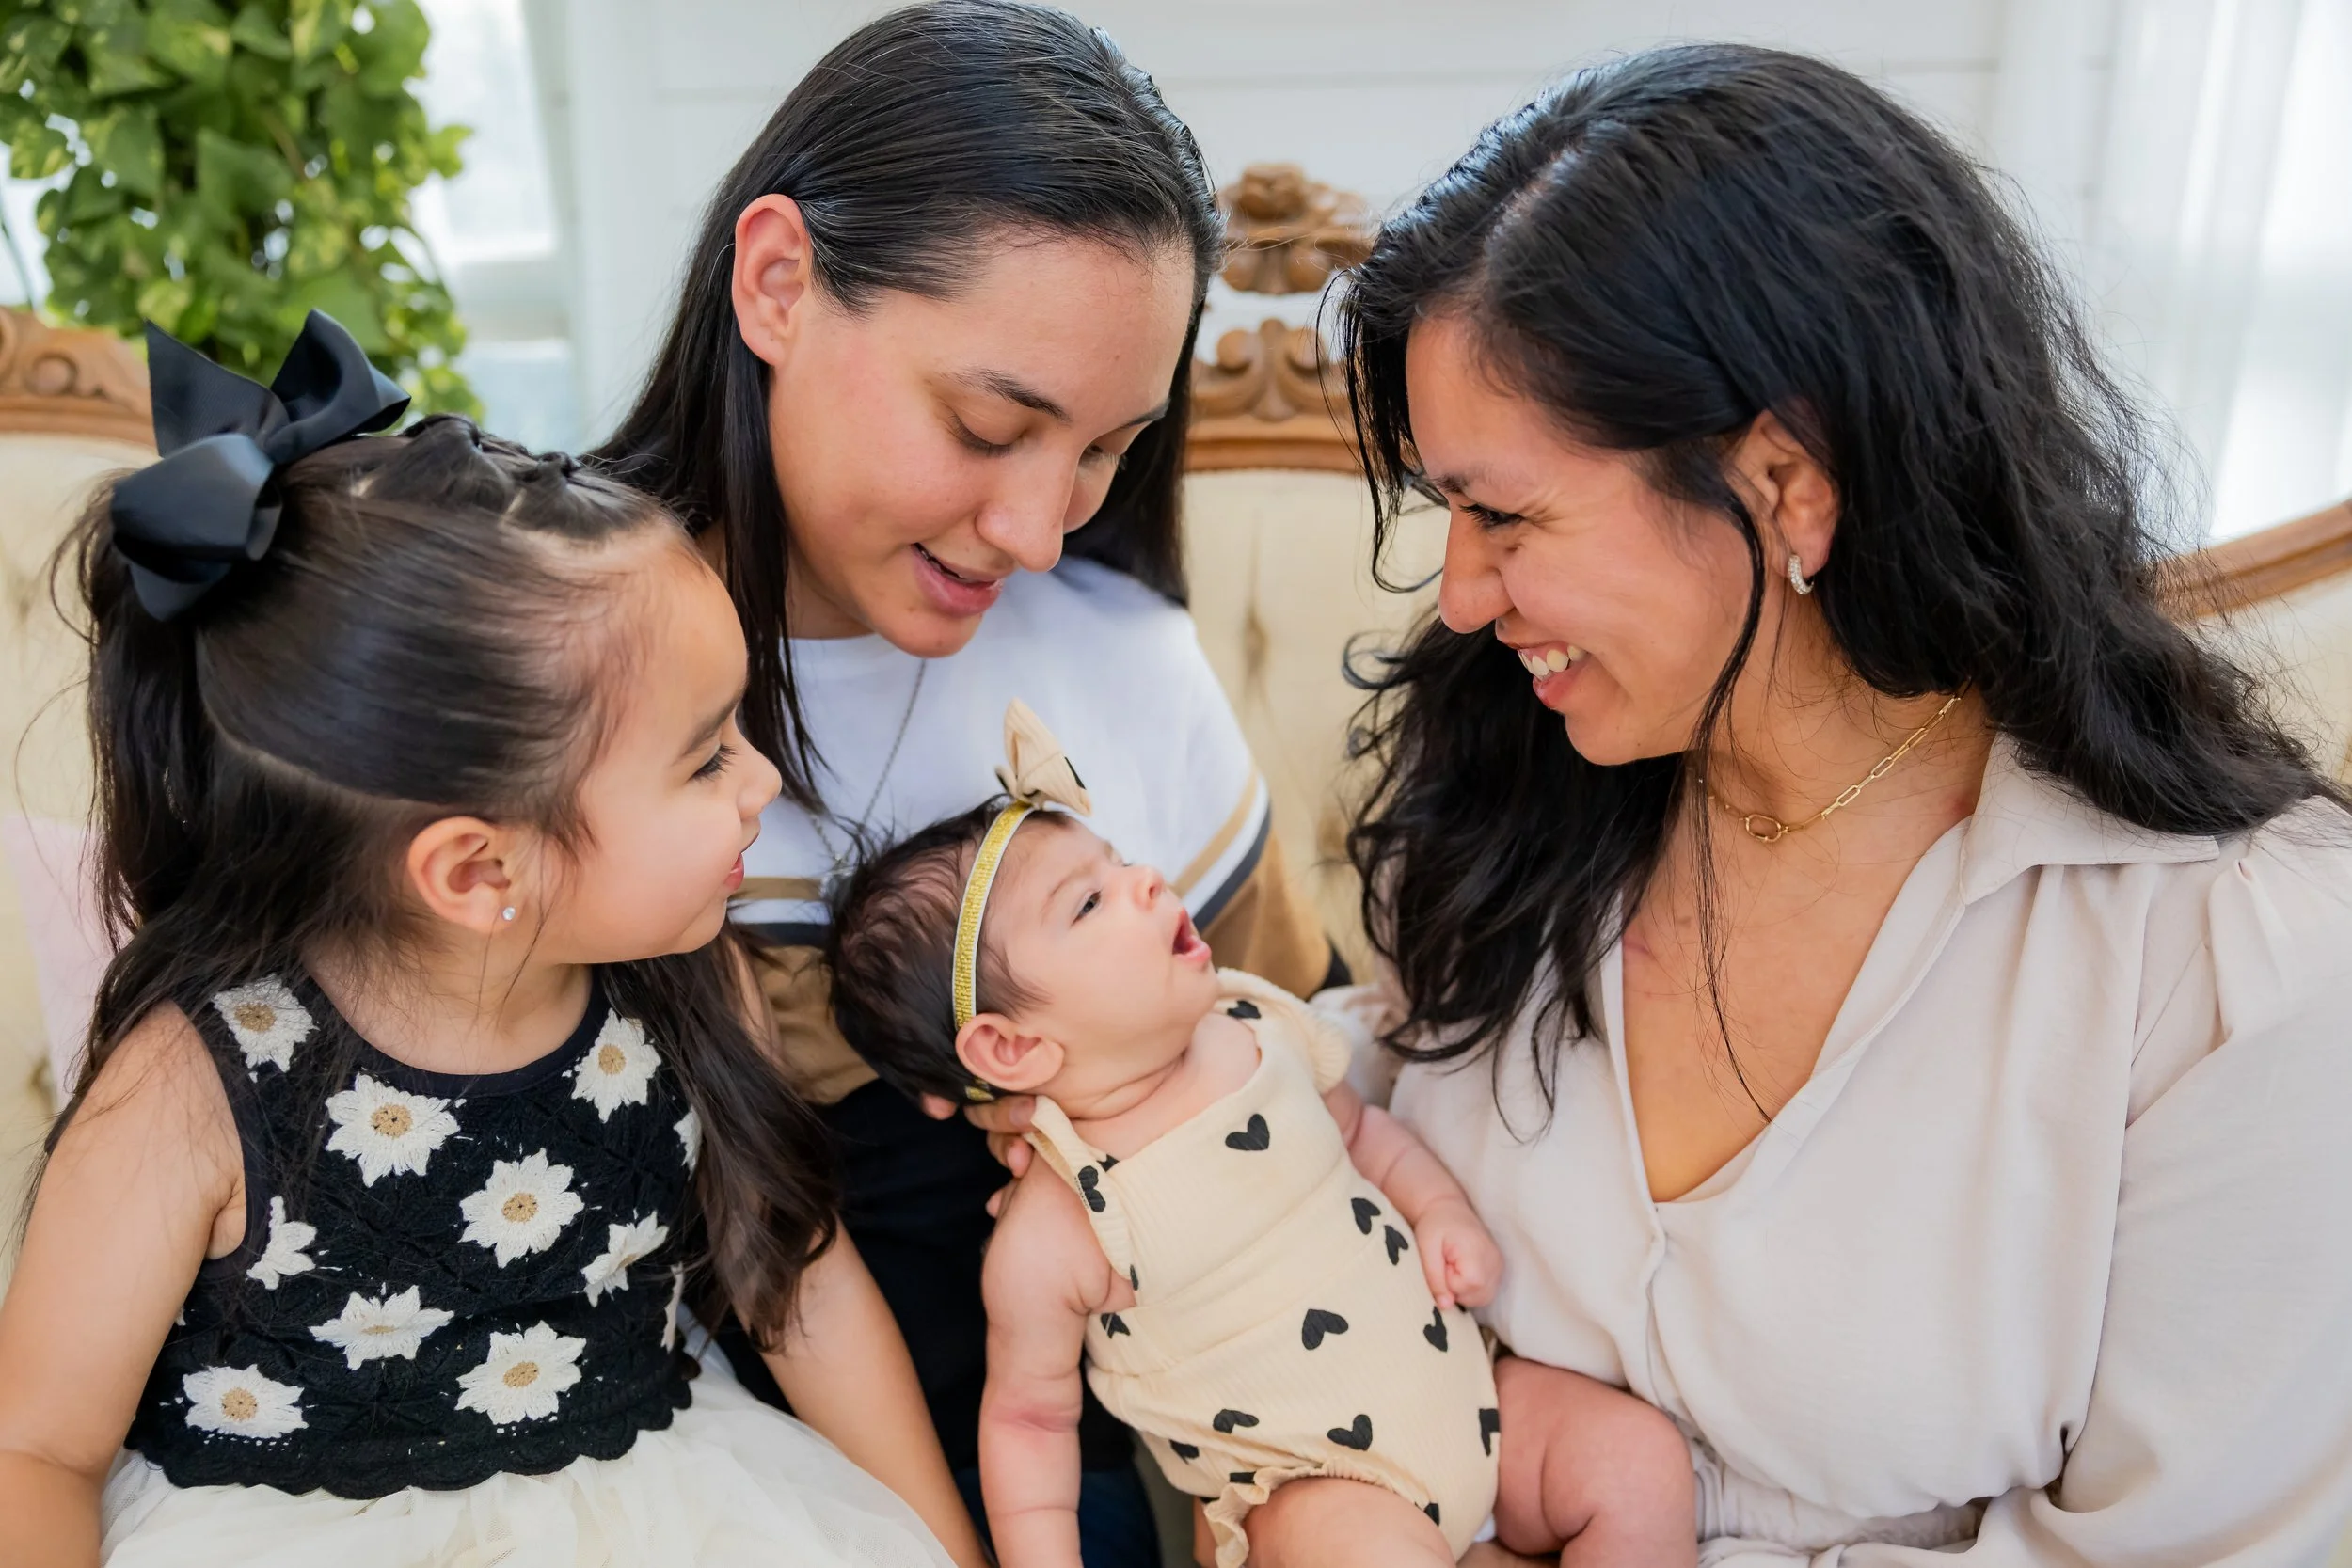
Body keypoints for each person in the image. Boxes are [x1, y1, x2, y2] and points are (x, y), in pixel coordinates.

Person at [1321, 42, 2352, 1568]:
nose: (1463, 596)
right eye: (1447, 509)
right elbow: (1337, 1166)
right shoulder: (1506, 798)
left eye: (1508, 514)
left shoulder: (2228, 959)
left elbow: (2215, 1542)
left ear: (1788, 482)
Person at [0, 316, 987, 1568]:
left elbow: (802, 1281)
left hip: (668, 1503)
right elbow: (36, 1443)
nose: (764, 776)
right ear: (477, 869)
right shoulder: (195, 1083)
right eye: (704, 756)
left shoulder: (687, 984)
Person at [591, 5, 1341, 1559]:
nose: (1040, 530)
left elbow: (1290, 1087)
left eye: (1104, 450)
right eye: (990, 425)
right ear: (778, 283)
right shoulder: (574, 672)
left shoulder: (1122, 661)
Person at [823, 705, 1685, 1568]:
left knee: (1640, 1462)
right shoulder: (1059, 1230)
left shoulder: (1256, 1023)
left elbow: (1365, 1133)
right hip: (1319, 1488)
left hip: (1473, 1400)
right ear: (1011, 1046)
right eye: (1089, 902)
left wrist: (1441, 1212)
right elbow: (1029, 1419)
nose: (1148, 880)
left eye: (1120, 862)